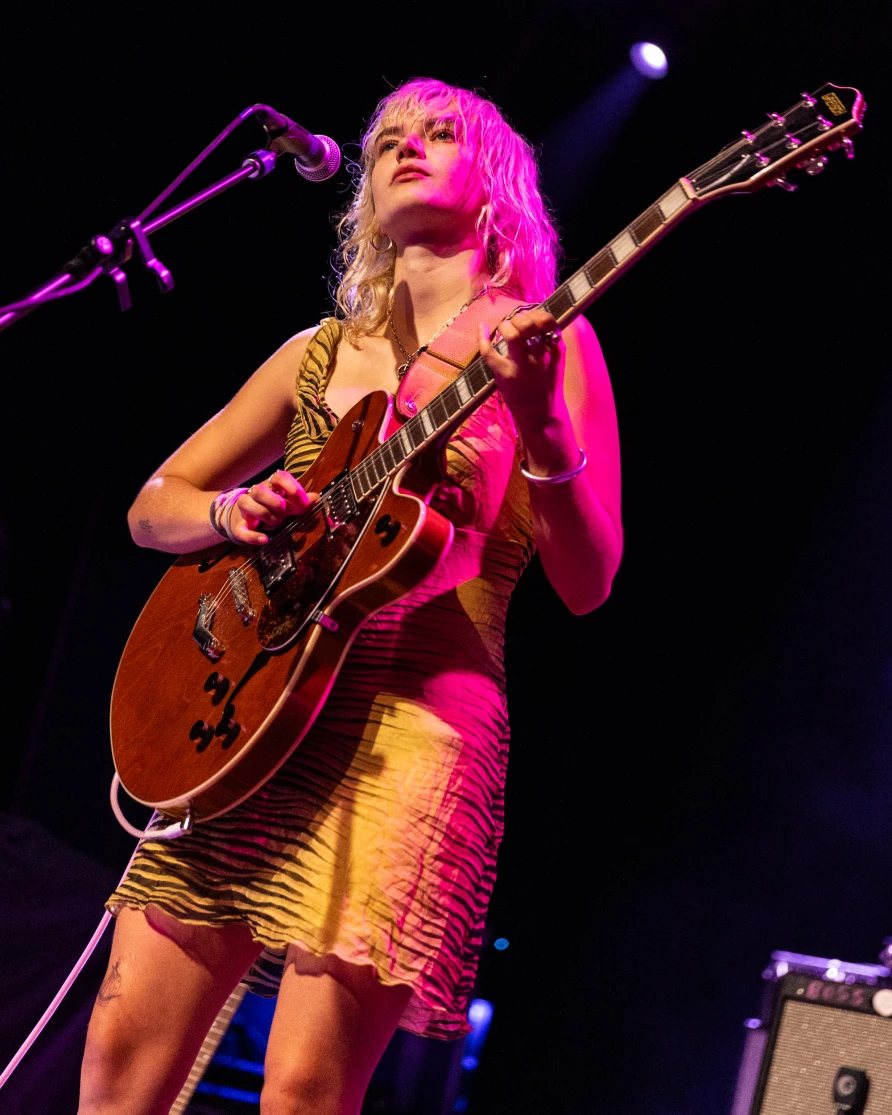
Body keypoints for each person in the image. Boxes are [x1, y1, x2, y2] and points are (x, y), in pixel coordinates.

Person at [78, 77, 623, 1115]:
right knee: (118, 1059)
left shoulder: (551, 339)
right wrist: (234, 510)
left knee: (301, 1088)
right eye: (386, 141)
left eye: (439, 132)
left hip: (410, 724)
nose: (406, 146)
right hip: (242, 706)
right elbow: (157, 507)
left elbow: (589, 581)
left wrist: (544, 429)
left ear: (497, 180)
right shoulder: (313, 355)